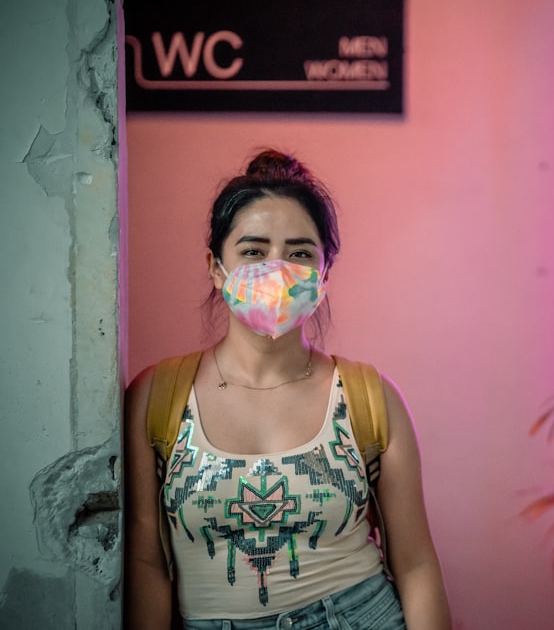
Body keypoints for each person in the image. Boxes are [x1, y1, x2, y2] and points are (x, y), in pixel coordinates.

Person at [124, 149, 451, 630]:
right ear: (216, 267)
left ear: (324, 274)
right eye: (253, 251)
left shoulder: (369, 398)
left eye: (299, 254)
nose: (276, 270)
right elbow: (146, 564)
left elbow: (416, 564)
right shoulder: (157, 398)